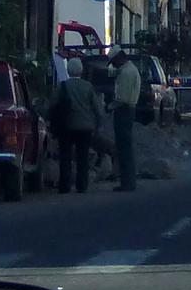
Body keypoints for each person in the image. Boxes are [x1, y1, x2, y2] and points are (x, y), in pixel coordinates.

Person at [53, 57, 100, 193]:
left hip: (67, 125)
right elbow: (97, 109)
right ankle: (82, 185)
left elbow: (53, 104)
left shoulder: (63, 86)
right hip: (85, 127)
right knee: (82, 157)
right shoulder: (88, 87)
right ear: (81, 70)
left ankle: (64, 185)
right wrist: (97, 125)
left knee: (65, 157)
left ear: (68, 70)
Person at [111, 53, 142, 191]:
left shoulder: (126, 73)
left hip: (124, 110)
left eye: (114, 61)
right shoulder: (130, 69)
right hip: (128, 110)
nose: (113, 64)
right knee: (125, 147)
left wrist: (109, 106)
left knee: (124, 147)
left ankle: (127, 182)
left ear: (118, 58)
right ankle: (128, 181)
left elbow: (121, 99)